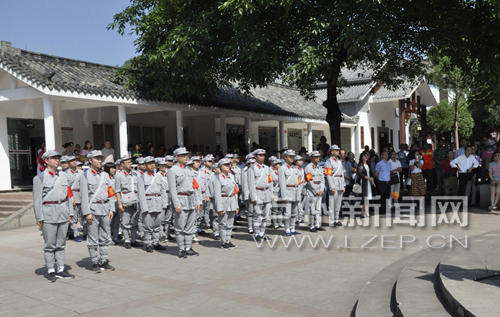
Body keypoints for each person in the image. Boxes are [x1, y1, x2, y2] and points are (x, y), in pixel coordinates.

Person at [33, 150, 75, 282]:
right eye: (54, 158)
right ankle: (51, 270)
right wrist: (39, 218)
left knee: (61, 244)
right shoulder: (39, 178)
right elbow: (37, 200)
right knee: (50, 244)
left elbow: (69, 195)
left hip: (63, 212)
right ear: (46, 161)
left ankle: (61, 268)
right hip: (49, 213)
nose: (57, 160)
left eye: (58, 158)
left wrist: (71, 212)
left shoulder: (63, 176)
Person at [80, 150, 116, 273]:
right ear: (90, 160)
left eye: (101, 158)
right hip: (93, 210)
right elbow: (84, 196)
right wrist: (86, 212)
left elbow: (110, 192)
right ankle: (95, 262)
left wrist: (112, 208)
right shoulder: (84, 175)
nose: (100, 161)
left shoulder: (105, 175)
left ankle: (104, 260)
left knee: (105, 236)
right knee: (93, 237)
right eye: (97, 158)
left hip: (105, 208)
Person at [167, 147, 201, 258]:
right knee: (180, 227)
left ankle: (188, 247)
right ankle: (181, 249)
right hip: (181, 200)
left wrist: (197, 201)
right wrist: (176, 204)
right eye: (183, 155)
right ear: (176, 157)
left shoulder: (189, 170)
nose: (186, 157)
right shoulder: (172, 170)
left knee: (190, 227)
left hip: (191, 200)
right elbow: (172, 190)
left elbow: (194, 187)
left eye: (186, 155)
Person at [137, 157, 167, 252]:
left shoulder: (158, 176)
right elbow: (141, 194)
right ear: (145, 165)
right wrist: (144, 208)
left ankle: (156, 242)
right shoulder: (141, 177)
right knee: (148, 226)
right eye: (149, 163)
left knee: (157, 224)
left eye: (153, 163)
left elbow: (163, 191)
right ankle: (148, 243)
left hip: (158, 202)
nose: (152, 165)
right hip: (148, 202)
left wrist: (164, 204)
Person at [115, 155, 141, 249]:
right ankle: (126, 240)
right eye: (128, 162)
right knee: (125, 222)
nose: (130, 164)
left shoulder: (135, 174)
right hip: (125, 200)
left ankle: (133, 239)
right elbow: (117, 191)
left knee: (134, 221)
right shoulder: (119, 176)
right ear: (122, 164)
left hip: (135, 200)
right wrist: (119, 203)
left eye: (130, 162)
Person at [247, 149, 273, 241]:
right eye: (260, 155)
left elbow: (270, 182)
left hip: (266, 193)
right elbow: (251, 184)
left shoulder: (267, 168)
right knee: (257, 215)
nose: (262, 157)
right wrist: (253, 197)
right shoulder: (252, 169)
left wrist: (271, 194)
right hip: (257, 192)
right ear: (255, 156)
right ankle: (257, 233)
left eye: (263, 155)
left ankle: (262, 232)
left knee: (266, 215)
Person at [214, 158, 239, 248]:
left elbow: (235, 192)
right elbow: (217, 194)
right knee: (223, 223)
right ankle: (223, 242)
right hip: (223, 201)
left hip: (232, 201)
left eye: (229, 164)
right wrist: (219, 208)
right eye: (226, 165)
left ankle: (228, 240)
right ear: (220, 167)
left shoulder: (232, 176)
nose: (228, 166)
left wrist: (236, 205)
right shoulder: (217, 178)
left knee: (230, 223)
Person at [278, 150, 301, 236]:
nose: (292, 158)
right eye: (290, 156)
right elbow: (282, 183)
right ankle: (287, 229)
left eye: (293, 156)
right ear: (285, 157)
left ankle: (293, 228)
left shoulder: (294, 168)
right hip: (287, 191)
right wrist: (284, 196)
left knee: (294, 212)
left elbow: (298, 182)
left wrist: (299, 193)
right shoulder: (282, 168)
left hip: (295, 191)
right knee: (287, 212)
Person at [304, 151, 325, 231]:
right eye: (315, 157)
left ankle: (317, 224)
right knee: (312, 209)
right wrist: (316, 190)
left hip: (319, 189)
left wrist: (321, 189)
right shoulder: (308, 168)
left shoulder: (319, 167)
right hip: (311, 190)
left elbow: (323, 179)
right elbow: (309, 181)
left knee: (318, 209)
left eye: (318, 157)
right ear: (311, 158)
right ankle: (312, 225)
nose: (317, 158)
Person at [64, 155, 83, 242]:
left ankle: (70, 232)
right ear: (68, 163)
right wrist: (71, 199)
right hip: (72, 196)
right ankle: (76, 234)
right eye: (71, 161)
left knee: (80, 216)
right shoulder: (66, 174)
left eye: (75, 160)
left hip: (80, 195)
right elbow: (67, 188)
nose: (74, 162)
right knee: (74, 218)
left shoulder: (80, 172)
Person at [325, 145, 345, 227]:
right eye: (335, 150)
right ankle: (332, 220)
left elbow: (342, 173)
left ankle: (336, 219)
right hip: (333, 182)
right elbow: (328, 175)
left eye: (338, 150)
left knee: (338, 203)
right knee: (332, 203)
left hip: (340, 182)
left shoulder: (339, 161)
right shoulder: (328, 162)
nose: (337, 151)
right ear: (331, 151)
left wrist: (344, 185)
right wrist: (331, 186)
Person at [356, 152, 375, 218]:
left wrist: (372, 180)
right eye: (364, 156)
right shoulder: (360, 165)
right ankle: (364, 212)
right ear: (361, 157)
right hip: (363, 183)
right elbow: (360, 173)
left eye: (367, 156)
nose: (366, 157)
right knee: (364, 198)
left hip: (368, 183)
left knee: (367, 198)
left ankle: (366, 212)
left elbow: (371, 173)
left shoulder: (368, 164)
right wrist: (368, 178)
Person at [241, 154, 256, 234]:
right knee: (250, 211)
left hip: (257, 193)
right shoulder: (245, 171)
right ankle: (250, 227)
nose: (253, 164)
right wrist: (246, 196)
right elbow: (245, 184)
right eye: (251, 162)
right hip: (249, 194)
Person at [270, 157, 283, 229]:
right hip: (274, 191)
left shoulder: (281, 172)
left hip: (281, 191)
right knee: (275, 208)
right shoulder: (271, 173)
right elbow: (270, 184)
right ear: (274, 165)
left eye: (280, 164)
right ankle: (275, 223)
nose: (279, 165)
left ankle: (280, 222)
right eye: (277, 164)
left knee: (280, 208)